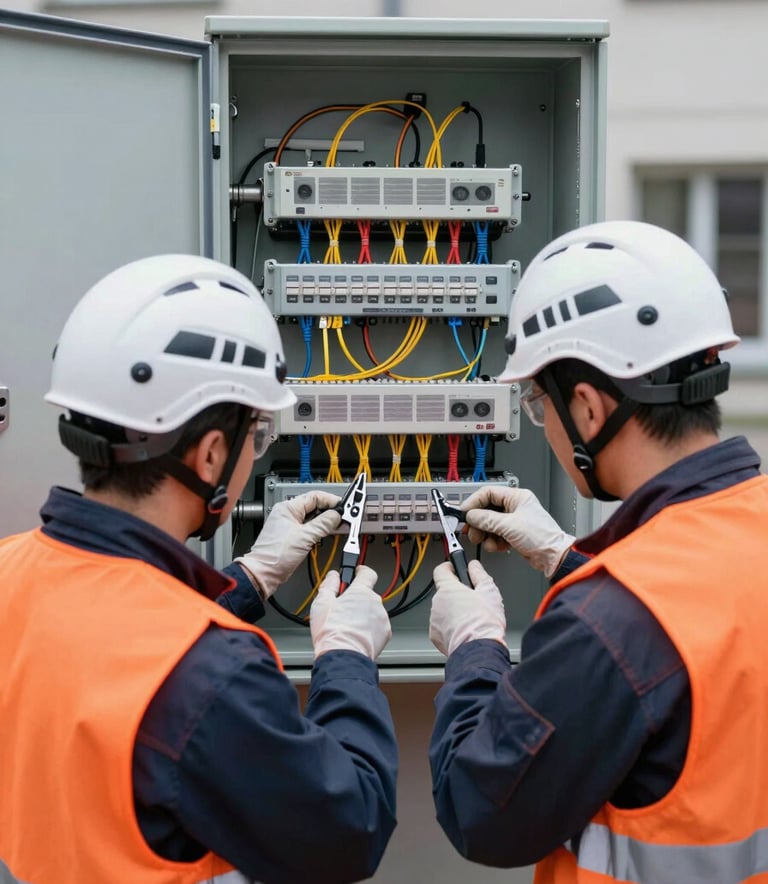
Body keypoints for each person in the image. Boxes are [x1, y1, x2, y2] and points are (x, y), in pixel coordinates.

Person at [0, 255, 397, 884]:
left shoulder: (9, 570)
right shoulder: (216, 672)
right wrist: (346, 655)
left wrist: (250, 579)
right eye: (256, 436)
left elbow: (113, 639)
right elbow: (351, 830)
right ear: (211, 454)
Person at [427, 220, 768, 883]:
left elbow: (481, 809)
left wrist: (473, 645)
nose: (543, 422)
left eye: (538, 404)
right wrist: (568, 560)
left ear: (586, 407)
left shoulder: (610, 621)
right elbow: (698, 639)